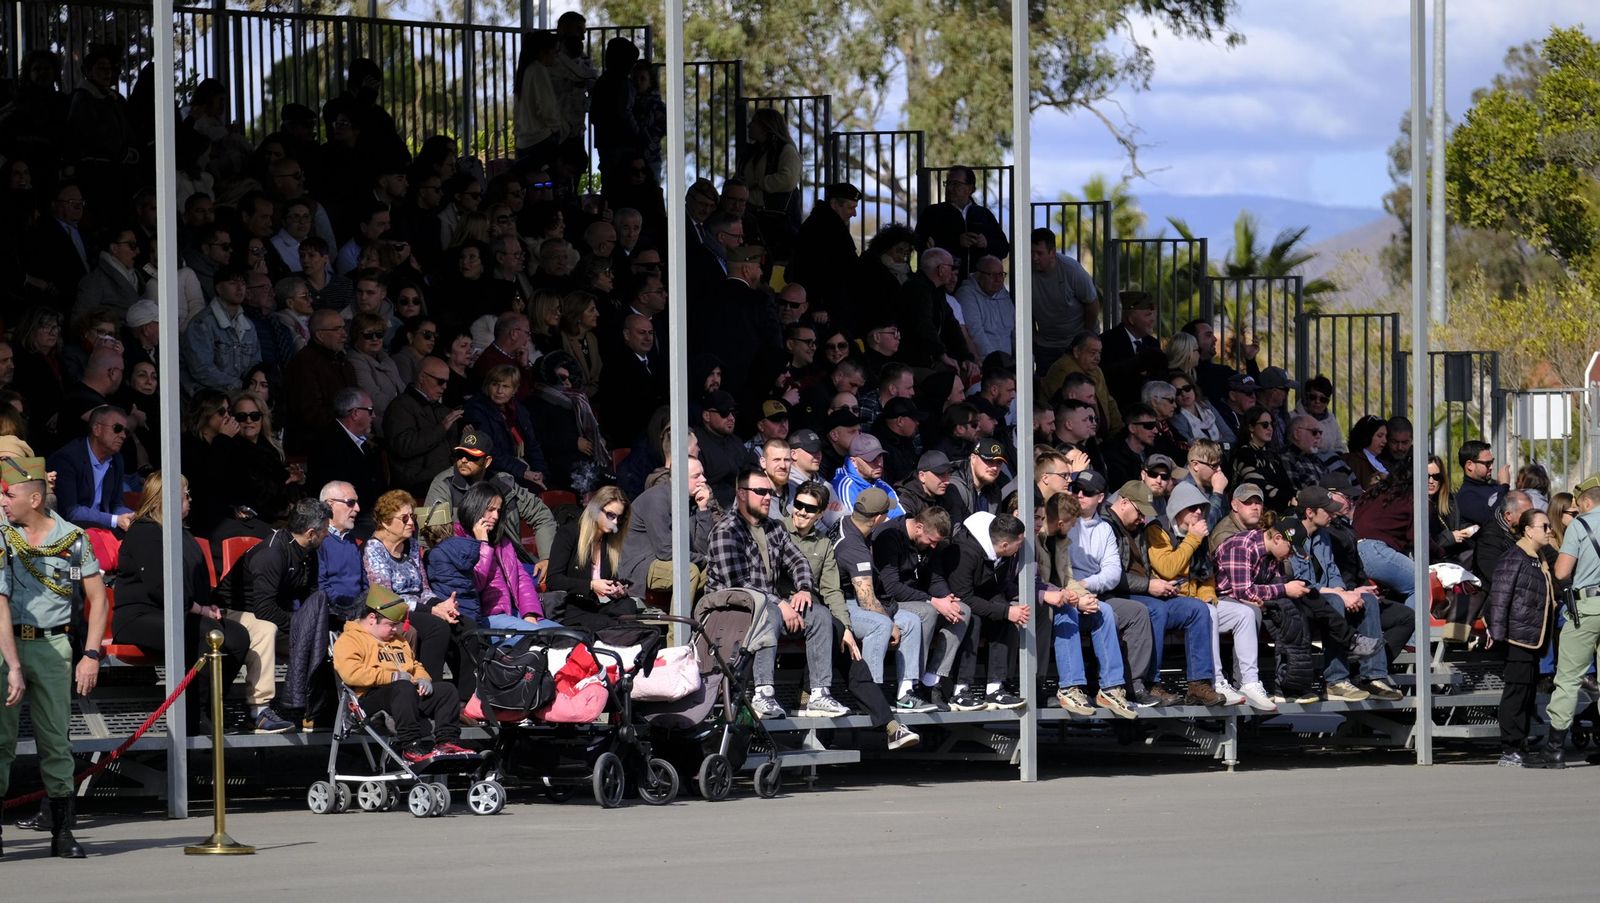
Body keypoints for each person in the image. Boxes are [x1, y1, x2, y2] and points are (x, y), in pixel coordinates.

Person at [0, 456, 109, 859]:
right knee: (0, 741)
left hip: (53, 646)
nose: (4, 501)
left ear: (34, 497)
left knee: (55, 742)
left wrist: (91, 654)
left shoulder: (73, 538)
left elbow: (98, 601)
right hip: (4, 644)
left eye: (9, 494)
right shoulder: (1, 533)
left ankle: (62, 831)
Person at [110, 470, 251, 724]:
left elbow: (194, 582)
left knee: (238, 636)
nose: (190, 499)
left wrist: (209, 606)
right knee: (204, 631)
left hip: (181, 612)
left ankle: (208, 705)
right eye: (186, 495)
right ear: (166, 499)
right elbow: (160, 586)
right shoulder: (145, 532)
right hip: (140, 616)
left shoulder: (183, 534)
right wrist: (199, 610)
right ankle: (191, 715)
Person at [706, 467, 848, 719]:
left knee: (820, 615)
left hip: (767, 608)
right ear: (741, 494)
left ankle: (819, 694)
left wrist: (804, 588)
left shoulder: (774, 528)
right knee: (767, 611)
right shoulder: (726, 531)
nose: (767, 497)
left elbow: (798, 561)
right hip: (732, 612)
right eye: (760, 491)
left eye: (770, 492)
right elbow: (738, 585)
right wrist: (782, 604)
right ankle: (763, 693)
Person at [333, 586, 470, 764]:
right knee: (402, 688)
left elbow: (414, 665)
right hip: (369, 699)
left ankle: (447, 742)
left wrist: (423, 678)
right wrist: (393, 677)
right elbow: (352, 674)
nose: (395, 630)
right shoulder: (350, 639)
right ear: (373, 618)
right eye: (390, 625)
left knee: (446, 690)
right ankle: (411, 745)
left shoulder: (397, 640)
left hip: (404, 695)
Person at [1485, 508, 1558, 767]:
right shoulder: (1514, 557)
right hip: (1517, 637)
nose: (1549, 531)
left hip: (1533, 637)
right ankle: (1510, 748)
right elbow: (1500, 597)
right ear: (1528, 530)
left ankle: (1521, 745)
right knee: (1516, 692)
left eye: (1549, 526)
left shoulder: (1538, 558)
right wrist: (1499, 633)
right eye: (1544, 526)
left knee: (1526, 693)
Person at [362, 490, 456, 686]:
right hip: (392, 610)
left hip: (419, 606)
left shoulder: (412, 545)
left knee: (463, 624)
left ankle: (467, 699)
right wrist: (431, 610)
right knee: (436, 627)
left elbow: (424, 588)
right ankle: (431, 690)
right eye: (404, 518)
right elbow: (387, 597)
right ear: (386, 522)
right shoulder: (373, 548)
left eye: (412, 517)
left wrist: (441, 604)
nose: (411, 523)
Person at [942, 512, 1029, 709]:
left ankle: (994, 688)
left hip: (980, 598)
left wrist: (1006, 612)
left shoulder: (1003, 553)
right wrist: (1005, 612)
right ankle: (960, 690)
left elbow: (997, 588)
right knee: (975, 620)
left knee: (1004, 616)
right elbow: (963, 597)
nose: (1021, 547)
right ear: (1005, 545)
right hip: (953, 603)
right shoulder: (966, 551)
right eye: (1019, 543)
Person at [1541, 484, 1600, 768]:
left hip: (1588, 608)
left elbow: (1562, 570)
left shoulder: (1580, 525)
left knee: (1568, 678)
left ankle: (1554, 749)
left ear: (1586, 503)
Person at [544, 486, 642, 630]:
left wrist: (615, 588)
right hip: (570, 606)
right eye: (610, 515)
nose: (615, 522)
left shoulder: (608, 542)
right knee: (607, 622)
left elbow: (606, 579)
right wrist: (590, 585)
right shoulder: (569, 533)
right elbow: (553, 580)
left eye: (619, 518)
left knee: (628, 605)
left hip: (594, 605)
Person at [46, 405, 134, 532]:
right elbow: (71, 512)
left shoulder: (117, 459)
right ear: (96, 429)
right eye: (118, 428)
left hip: (104, 528)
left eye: (126, 431)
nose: (123, 435)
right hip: (72, 531)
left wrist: (130, 516)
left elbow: (116, 504)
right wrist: (115, 520)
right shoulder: (66, 459)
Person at [915, 166, 1010, 280]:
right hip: (943, 282)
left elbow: (1003, 248)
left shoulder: (984, 214)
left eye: (956, 184)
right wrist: (956, 242)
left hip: (979, 285)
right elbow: (919, 243)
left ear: (970, 189)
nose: (949, 188)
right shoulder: (932, 213)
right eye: (948, 183)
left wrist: (986, 244)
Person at [1029, 228, 1100, 374]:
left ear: (1052, 253)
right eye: (1031, 252)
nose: (1034, 258)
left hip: (1076, 342)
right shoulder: (1024, 270)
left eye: (1039, 253)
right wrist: (1033, 336)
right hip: (1046, 344)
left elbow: (1092, 304)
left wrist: (1084, 337)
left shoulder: (1071, 270)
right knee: (1047, 388)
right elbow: (1022, 308)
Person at [1454, 439, 1507, 530]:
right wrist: (1504, 486)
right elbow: (1491, 520)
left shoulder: (1494, 486)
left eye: (1492, 462)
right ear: (1470, 465)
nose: (1491, 467)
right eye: (1487, 463)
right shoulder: (1466, 496)